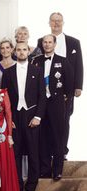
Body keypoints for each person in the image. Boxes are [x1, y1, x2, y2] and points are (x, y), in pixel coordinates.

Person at [2, 42, 45, 191]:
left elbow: (42, 96)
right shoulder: (8, 72)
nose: (21, 52)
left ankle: (31, 186)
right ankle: (18, 185)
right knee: (16, 153)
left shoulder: (37, 71)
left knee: (34, 152)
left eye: (24, 49)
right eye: (18, 50)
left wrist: (38, 116)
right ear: (14, 52)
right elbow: (4, 98)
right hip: (15, 117)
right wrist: (8, 119)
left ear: (28, 52)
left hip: (32, 115)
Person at [37, 12, 83, 158]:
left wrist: (78, 86)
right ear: (49, 23)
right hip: (45, 89)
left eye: (59, 21)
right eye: (53, 21)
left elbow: (79, 65)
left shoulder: (74, 42)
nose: (56, 23)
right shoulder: (41, 41)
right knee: (46, 121)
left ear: (63, 22)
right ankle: (50, 151)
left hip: (66, 88)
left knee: (64, 119)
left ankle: (61, 150)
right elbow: (37, 61)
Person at [32, 34, 74, 180]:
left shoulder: (63, 61)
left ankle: (57, 170)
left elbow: (69, 87)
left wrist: (65, 107)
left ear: (55, 44)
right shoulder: (36, 61)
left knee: (58, 137)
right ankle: (45, 170)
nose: (47, 44)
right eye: (45, 42)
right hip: (40, 105)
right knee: (42, 137)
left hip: (56, 105)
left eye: (50, 42)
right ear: (42, 44)